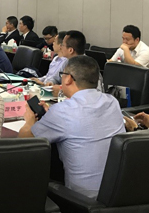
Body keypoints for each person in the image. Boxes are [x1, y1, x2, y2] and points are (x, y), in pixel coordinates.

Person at [19, 55, 125, 199]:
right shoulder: (112, 102)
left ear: (68, 78)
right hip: (118, 195)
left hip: (81, 201)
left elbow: (24, 142)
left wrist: (29, 121)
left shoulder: (62, 111)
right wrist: (51, 116)